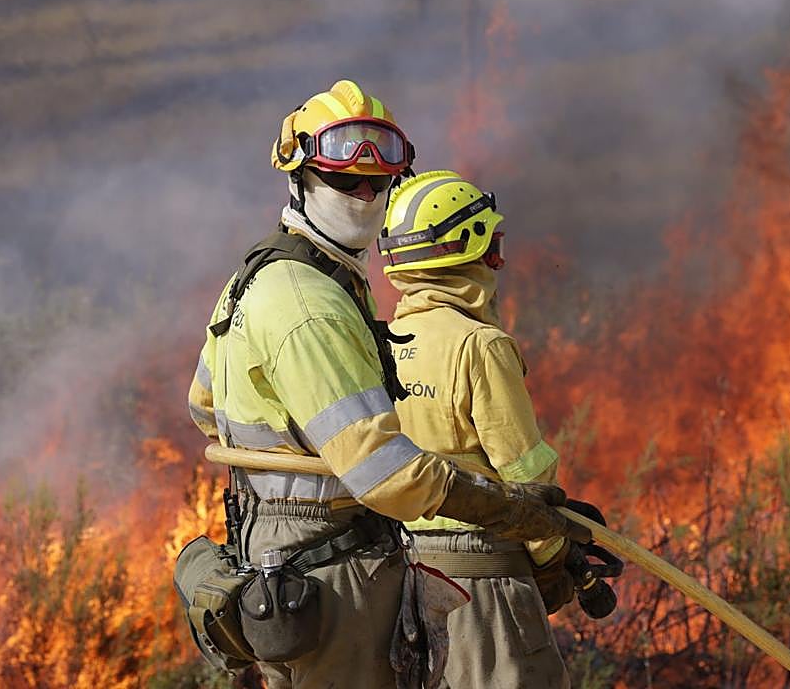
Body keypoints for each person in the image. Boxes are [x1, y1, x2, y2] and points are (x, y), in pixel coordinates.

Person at [184, 82, 590, 689]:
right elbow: (384, 474)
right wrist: (513, 511)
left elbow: (204, 406)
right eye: (346, 181)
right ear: (298, 175)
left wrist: (297, 449)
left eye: (379, 181)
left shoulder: (262, 276)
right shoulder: (311, 304)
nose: (365, 195)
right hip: (330, 559)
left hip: (280, 552)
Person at [377, 170, 576, 689]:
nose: (496, 263)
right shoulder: (480, 345)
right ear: (470, 250)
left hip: (399, 577)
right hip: (481, 582)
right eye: (494, 247)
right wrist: (554, 557)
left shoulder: (379, 341)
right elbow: (526, 475)